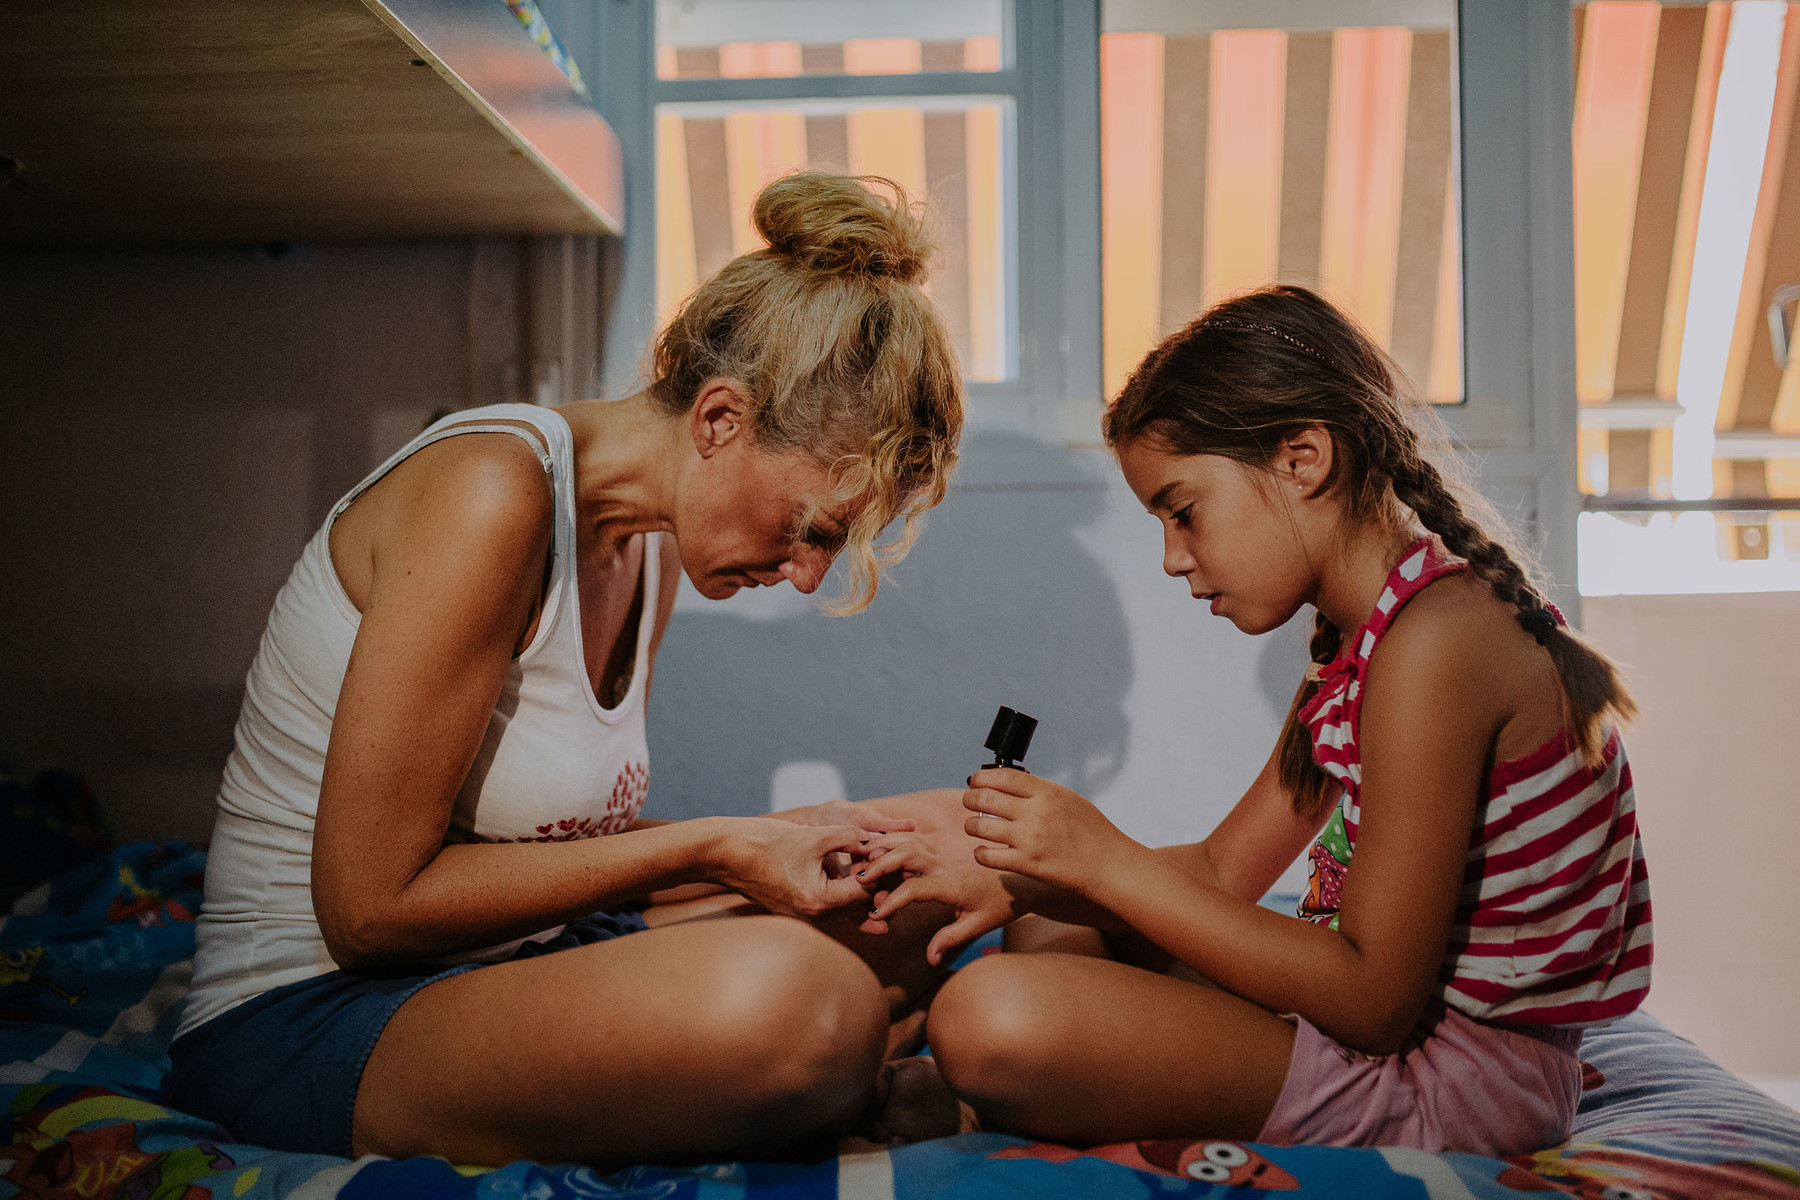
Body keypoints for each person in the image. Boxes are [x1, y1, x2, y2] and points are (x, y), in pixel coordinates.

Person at [167, 172, 971, 1167]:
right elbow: (369, 911)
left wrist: (784, 841)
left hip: (510, 961)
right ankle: (839, 1076)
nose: (806, 574)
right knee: (806, 1007)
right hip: (310, 1015)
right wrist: (714, 847)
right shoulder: (488, 494)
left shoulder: (648, 551)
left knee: (941, 850)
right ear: (719, 420)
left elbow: (539, 836)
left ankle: (829, 1080)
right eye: (812, 528)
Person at [858, 285, 1652, 1156]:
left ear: (1301, 459)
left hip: (1454, 1078)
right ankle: (1015, 1091)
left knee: (989, 1011)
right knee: (1053, 926)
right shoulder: (1367, 641)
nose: (1172, 558)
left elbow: (1375, 1003)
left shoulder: (1440, 647)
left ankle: (999, 1098)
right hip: (1404, 1034)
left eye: (1183, 510)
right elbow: (1219, 868)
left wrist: (1105, 859)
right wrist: (1038, 879)